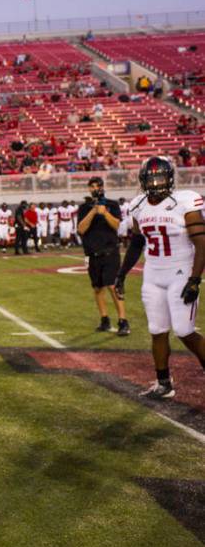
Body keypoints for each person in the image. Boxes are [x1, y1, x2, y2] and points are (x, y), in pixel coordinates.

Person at [116, 156, 205, 398]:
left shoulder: (185, 201)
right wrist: (121, 274)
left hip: (181, 271)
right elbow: (136, 243)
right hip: (153, 273)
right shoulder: (137, 205)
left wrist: (195, 279)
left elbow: (201, 243)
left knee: (184, 330)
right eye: (151, 178)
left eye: (160, 178)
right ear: (143, 181)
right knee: (157, 330)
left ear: (170, 178)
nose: (156, 183)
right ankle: (164, 383)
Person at [77, 177, 130, 336]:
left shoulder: (112, 205)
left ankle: (123, 320)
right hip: (92, 254)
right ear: (89, 189)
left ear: (103, 187)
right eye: (92, 186)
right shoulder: (85, 208)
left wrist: (104, 212)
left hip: (110, 251)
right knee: (97, 287)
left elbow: (116, 225)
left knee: (113, 285)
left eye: (98, 186)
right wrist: (93, 211)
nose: (95, 188)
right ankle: (104, 319)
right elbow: (81, 229)